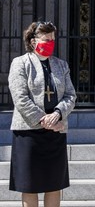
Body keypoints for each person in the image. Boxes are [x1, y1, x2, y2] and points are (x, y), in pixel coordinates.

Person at [8, 21, 77, 207]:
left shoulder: (61, 65)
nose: (50, 43)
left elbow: (71, 95)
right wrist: (44, 119)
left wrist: (58, 113)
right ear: (33, 41)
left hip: (55, 133)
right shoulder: (20, 63)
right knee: (29, 185)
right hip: (28, 133)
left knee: (54, 184)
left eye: (53, 39)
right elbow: (20, 97)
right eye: (46, 39)